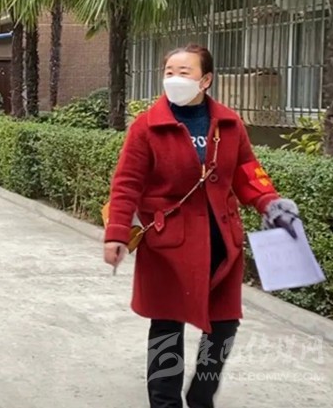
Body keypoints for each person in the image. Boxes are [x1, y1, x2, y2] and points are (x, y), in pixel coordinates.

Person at [103, 44, 303, 408]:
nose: (174, 79)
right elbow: (127, 183)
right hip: (168, 244)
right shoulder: (147, 126)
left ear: (205, 79)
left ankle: (201, 395)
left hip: (220, 243)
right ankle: (165, 402)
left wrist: (271, 203)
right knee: (167, 328)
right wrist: (116, 233)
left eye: (184, 72)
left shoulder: (229, 123)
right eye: (169, 72)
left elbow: (247, 172)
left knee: (225, 324)